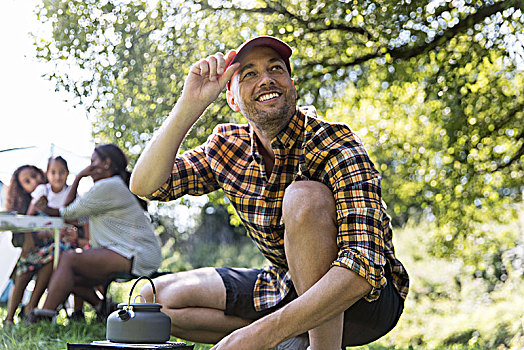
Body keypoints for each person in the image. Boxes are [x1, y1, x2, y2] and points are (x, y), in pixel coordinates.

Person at [129, 36, 410, 350]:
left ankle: (315, 345)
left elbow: (364, 268)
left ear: (292, 84)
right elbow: (146, 185)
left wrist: (258, 335)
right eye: (249, 74)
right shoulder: (226, 146)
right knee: (152, 299)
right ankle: (288, 339)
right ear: (232, 100)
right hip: (284, 284)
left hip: (366, 301)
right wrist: (189, 105)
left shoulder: (334, 142)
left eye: (276, 69)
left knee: (303, 197)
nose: (266, 79)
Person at [29, 144, 162, 322]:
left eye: (93, 162)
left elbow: (66, 212)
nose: (90, 168)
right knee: (69, 275)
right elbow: (72, 218)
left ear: (106, 163)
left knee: (69, 258)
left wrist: (78, 177)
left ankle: (44, 315)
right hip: (126, 251)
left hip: (137, 253)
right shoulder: (111, 186)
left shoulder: (108, 186)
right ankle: (103, 307)